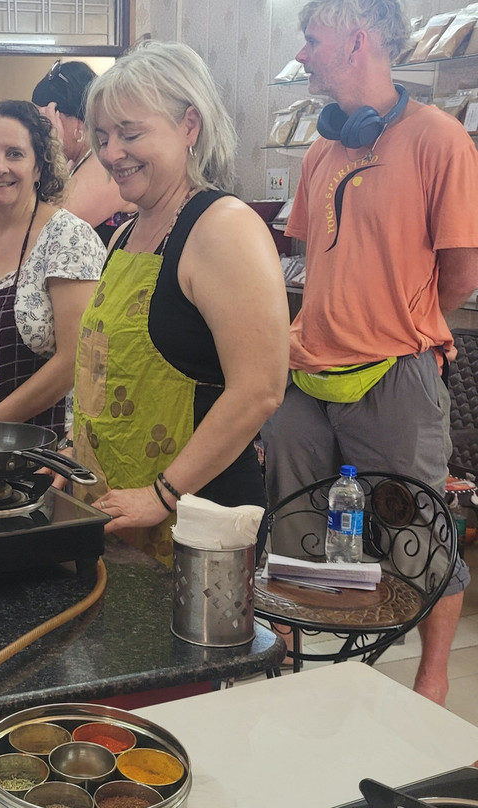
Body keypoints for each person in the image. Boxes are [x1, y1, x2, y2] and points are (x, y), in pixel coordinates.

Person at [260, 0, 478, 706]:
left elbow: (461, 275)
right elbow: (308, 258)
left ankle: (432, 679)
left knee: (418, 536)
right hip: (306, 375)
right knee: (290, 529)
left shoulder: (442, 141)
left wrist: (397, 326)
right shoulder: (322, 147)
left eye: (311, 39)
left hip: (397, 376)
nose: (303, 54)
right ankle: (288, 667)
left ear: (357, 39)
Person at [71, 40, 290, 565]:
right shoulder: (125, 234)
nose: (111, 153)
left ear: (189, 126)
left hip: (196, 521)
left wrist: (161, 494)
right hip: (117, 509)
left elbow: (259, 389)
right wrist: (70, 454)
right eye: (102, 137)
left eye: (130, 133)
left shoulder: (224, 227)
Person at [0, 100, 104, 435]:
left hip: (42, 450)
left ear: (39, 166)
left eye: (14, 153)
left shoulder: (67, 238)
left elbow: (74, 360)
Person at [32, 60, 135, 243]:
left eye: (45, 119)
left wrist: (52, 147)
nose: (38, 131)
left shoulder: (104, 164)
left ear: (78, 123)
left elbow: (50, 228)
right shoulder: (75, 162)